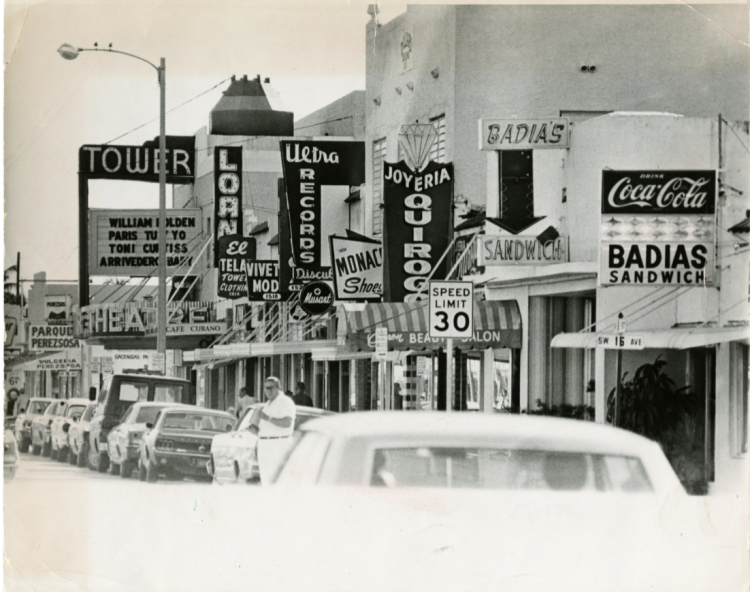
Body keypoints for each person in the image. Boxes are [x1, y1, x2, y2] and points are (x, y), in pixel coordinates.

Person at [250, 377, 296, 485]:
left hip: (278, 444)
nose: (268, 391)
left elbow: (288, 423)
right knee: (266, 480)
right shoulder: (268, 403)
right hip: (266, 445)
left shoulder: (285, 402)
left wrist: (268, 418)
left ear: (278, 388)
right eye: (266, 388)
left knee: (278, 481)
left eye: (271, 388)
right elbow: (267, 427)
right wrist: (255, 429)